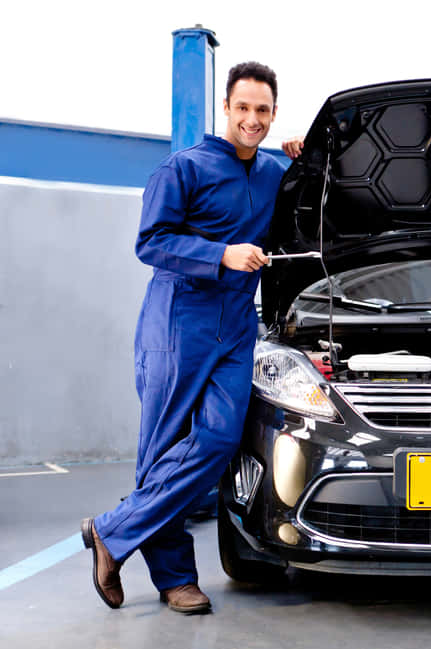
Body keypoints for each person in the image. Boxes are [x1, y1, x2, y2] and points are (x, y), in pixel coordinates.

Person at [81, 61, 303, 614]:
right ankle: (175, 578)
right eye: (244, 108)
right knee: (162, 452)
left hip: (236, 325)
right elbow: (151, 242)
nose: (253, 120)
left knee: (221, 439)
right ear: (226, 109)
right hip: (179, 319)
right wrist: (220, 254)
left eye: (264, 111)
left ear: (274, 114)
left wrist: (307, 157)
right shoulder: (183, 168)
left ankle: (111, 531)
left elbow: (313, 200)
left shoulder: (274, 172)